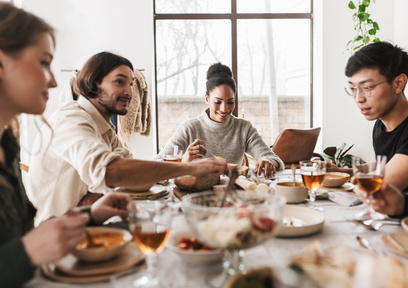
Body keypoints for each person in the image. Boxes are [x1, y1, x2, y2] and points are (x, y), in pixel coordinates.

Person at [0, 3, 135, 286]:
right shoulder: (72, 118)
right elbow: (25, 246)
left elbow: (24, 233)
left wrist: (88, 214)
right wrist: (27, 252)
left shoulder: (7, 144)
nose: (53, 81)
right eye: (44, 63)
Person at [27, 52, 227, 225]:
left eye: (131, 84)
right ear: (94, 83)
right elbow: (111, 171)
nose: (130, 93)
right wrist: (190, 169)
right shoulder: (71, 119)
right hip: (53, 237)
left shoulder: (105, 129)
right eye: (119, 82)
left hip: (81, 223)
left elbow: (134, 175)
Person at [154, 63, 284, 178]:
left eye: (230, 102)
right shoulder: (189, 128)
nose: (224, 109)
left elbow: (276, 160)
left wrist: (268, 161)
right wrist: (184, 161)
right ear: (207, 99)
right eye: (218, 102)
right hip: (195, 195)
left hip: (231, 195)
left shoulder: (243, 128)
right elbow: (156, 165)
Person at [332, 42, 408, 192]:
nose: (358, 99)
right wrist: (341, 171)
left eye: (367, 88)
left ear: (398, 83)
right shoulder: (381, 125)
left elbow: (378, 188)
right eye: (353, 89)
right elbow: (387, 166)